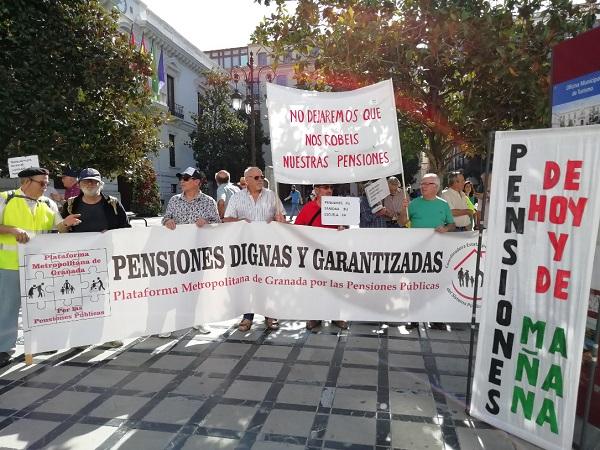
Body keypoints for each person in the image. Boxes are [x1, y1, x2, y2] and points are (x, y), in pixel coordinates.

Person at [0, 167, 81, 367]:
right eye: (42, 183)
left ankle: (42, 342)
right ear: (26, 182)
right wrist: (12, 229)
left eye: (47, 183)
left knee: (41, 306)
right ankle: (3, 348)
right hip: (9, 265)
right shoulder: (6, 198)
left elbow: (58, 227)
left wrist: (66, 223)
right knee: (8, 308)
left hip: (40, 266)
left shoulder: (48, 203)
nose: (46, 187)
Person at [61, 168, 130, 348]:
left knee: (109, 298)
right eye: (86, 181)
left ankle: (110, 334)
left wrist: (112, 233)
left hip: (108, 258)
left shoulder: (112, 203)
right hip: (80, 260)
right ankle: (84, 336)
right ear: (79, 184)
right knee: (82, 298)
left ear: (101, 184)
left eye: (94, 181)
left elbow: (126, 228)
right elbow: (59, 230)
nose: (90, 184)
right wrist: (64, 224)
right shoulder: (70, 204)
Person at [224, 167, 285, 331]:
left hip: (267, 249)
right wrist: (240, 221)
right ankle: (247, 317)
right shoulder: (237, 198)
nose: (260, 179)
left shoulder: (272, 196)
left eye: (262, 176)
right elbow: (227, 220)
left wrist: (280, 219)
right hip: (245, 250)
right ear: (247, 180)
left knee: (268, 282)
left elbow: (282, 219)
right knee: (247, 283)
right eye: (256, 177)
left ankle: (270, 315)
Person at [163, 167, 220, 336]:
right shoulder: (174, 200)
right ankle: (170, 324)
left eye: (186, 178)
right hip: (178, 253)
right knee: (174, 288)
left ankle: (199, 321)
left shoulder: (209, 201)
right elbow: (165, 218)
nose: (182, 181)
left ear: (197, 182)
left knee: (197, 288)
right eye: (181, 178)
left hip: (200, 253)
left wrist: (207, 222)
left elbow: (218, 223)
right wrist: (168, 221)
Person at [402, 173, 455, 330]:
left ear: (436, 187)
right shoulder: (414, 203)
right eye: (422, 184)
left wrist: (445, 228)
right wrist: (403, 209)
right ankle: (414, 318)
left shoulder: (443, 204)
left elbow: (451, 224)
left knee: (435, 286)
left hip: (436, 253)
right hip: (417, 252)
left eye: (427, 184)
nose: (422, 186)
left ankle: (436, 318)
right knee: (415, 286)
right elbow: (401, 222)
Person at [295, 183, 348, 331]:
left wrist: (343, 228)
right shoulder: (308, 208)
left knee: (335, 285)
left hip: (333, 254)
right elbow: (297, 228)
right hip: (313, 255)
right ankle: (314, 316)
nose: (330, 190)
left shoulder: (338, 207)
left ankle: (336, 315)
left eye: (331, 187)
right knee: (314, 286)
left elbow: (345, 228)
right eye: (325, 187)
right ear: (317, 190)